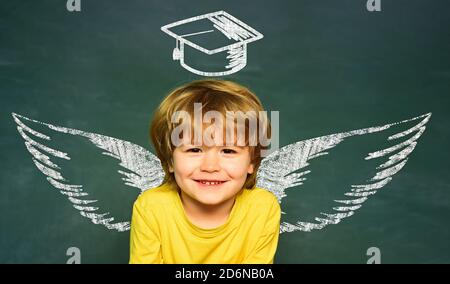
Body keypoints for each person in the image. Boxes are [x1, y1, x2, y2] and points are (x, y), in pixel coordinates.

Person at [129, 79, 281, 264]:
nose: (210, 167)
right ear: (170, 159)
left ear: (252, 161)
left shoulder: (263, 208)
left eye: (228, 151)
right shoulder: (151, 208)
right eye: (194, 150)